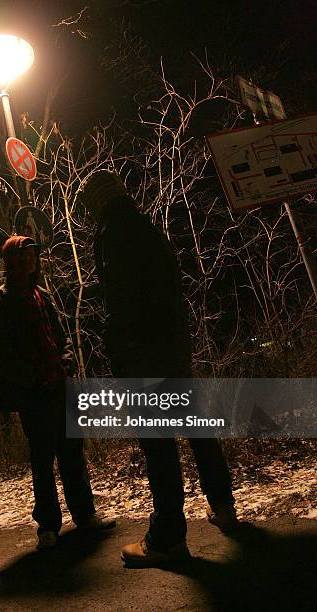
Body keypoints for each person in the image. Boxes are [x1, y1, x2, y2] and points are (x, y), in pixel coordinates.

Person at [80, 170, 238, 568]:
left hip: (144, 359)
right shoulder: (145, 227)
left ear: (98, 203)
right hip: (171, 352)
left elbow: (122, 306)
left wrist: (123, 356)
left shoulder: (113, 236)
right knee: (196, 429)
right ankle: (222, 504)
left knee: (159, 446)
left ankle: (167, 537)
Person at [0, 235, 115, 550]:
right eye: (25, 255)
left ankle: (85, 516)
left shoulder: (43, 294)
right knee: (43, 461)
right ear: (13, 261)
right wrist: (29, 378)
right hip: (35, 393)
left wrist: (66, 363)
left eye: (33, 254)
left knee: (72, 455)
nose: (31, 260)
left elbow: (61, 335)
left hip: (60, 386)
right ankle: (48, 526)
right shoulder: (1, 301)